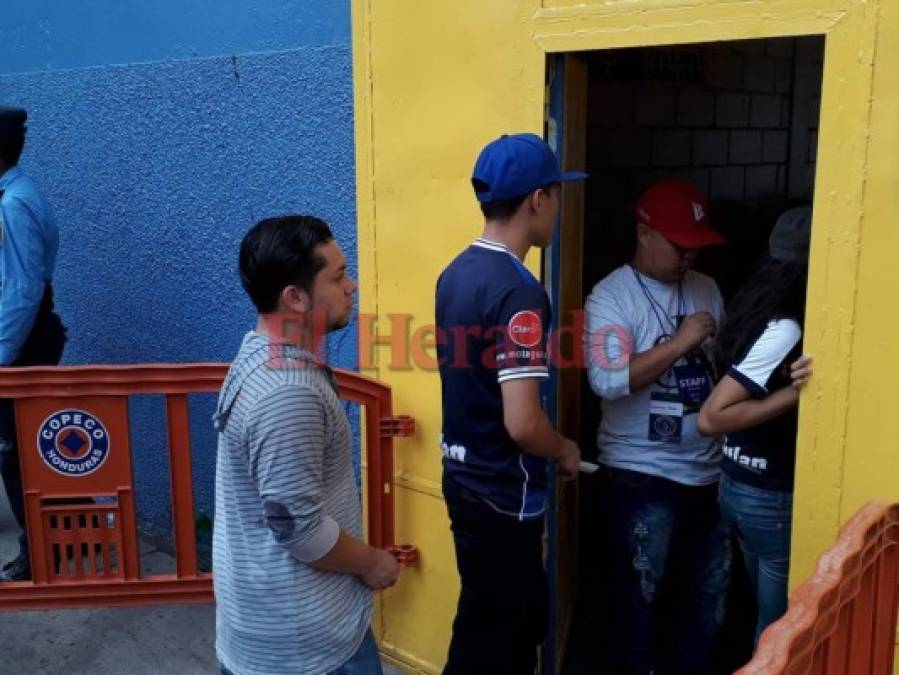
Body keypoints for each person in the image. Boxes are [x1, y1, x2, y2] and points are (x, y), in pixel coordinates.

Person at [213, 215, 400, 675]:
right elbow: (300, 528)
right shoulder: (287, 392)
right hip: (307, 648)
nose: (352, 286)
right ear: (294, 298)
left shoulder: (260, 353)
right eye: (337, 277)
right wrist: (373, 562)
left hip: (278, 630)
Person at [436, 133, 584, 674]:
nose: (559, 208)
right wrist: (564, 448)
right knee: (499, 644)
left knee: (486, 625)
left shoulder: (456, 272)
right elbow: (522, 422)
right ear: (537, 200)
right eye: (557, 194)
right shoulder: (521, 291)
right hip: (504, 494)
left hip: (462, 478)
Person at [583, 178, 729, 674]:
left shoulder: (706, 287)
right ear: (644, 234)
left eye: (697, 245)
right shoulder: (612, 296)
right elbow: (607, 379)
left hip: (708, 474)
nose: (689, 255)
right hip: (640, 476)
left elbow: (723, 367)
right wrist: (680, 343)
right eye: (679, 244)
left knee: (706, 594)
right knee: (640, 602)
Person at [698, 206, 813, 645]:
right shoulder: (786, 326)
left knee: (766, 620)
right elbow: (713, 416)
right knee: (778, 630)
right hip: (766, 495)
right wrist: (794, 394)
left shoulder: (755, 306)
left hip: (740, 483)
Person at [0, 106, 67, 583]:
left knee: (18, 452)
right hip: (28, 337)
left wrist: (1, 358)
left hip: (21, 344)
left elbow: (22, 291)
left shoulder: (12, 205)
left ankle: (41, 553)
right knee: (28, 447)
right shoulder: (18, 194)